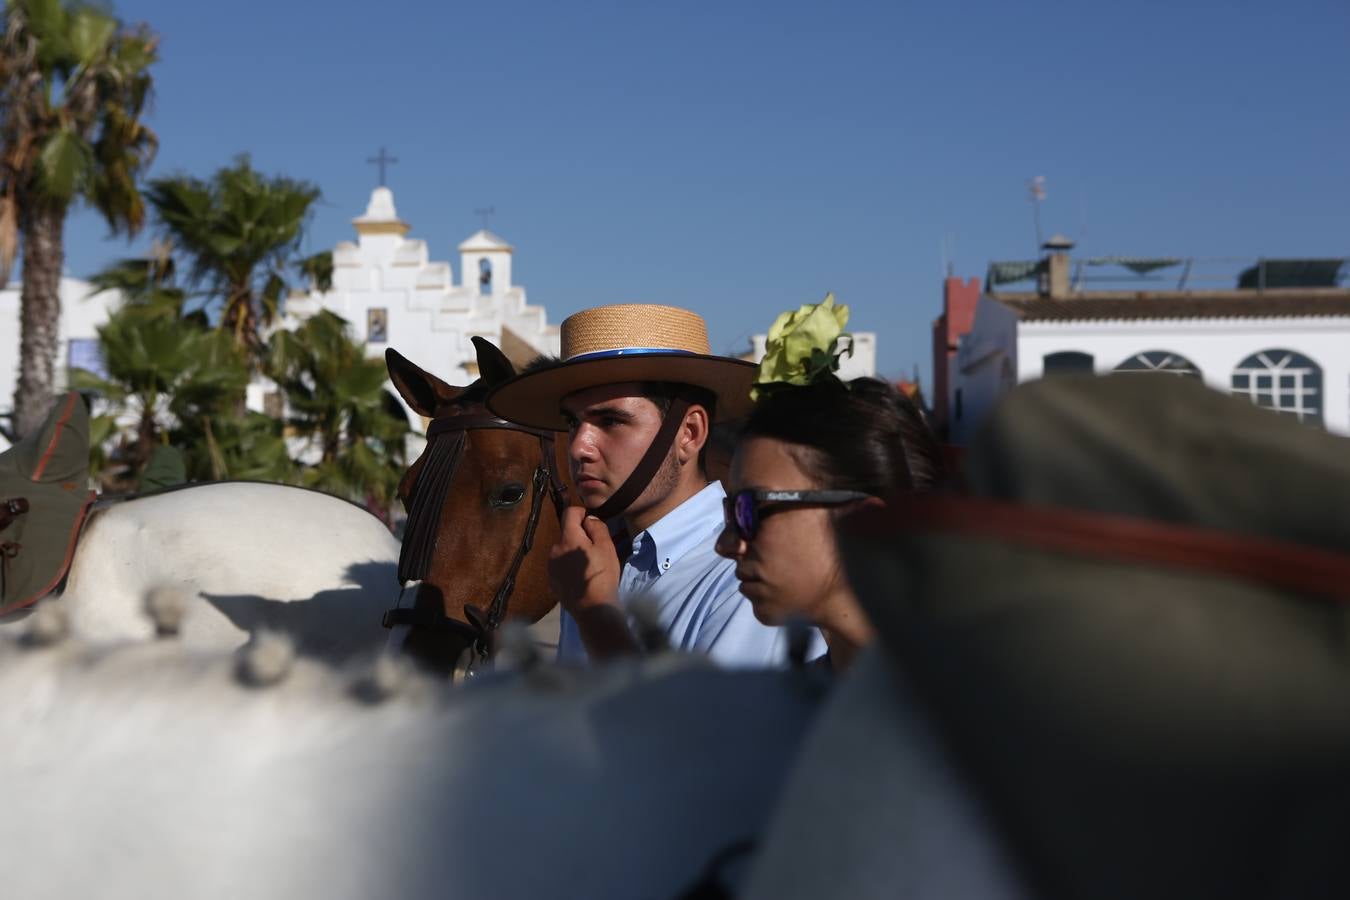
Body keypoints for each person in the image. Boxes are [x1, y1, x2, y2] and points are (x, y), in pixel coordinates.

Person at [486, 303, 814, 666]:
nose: (579, 446)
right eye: (573, 422)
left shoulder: (744, 577)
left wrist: (597, 615)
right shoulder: (593, 563)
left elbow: (712, 723)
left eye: (610, 420)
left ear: (689, 433)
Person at [715, 295, 945, 671]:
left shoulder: (966, 717)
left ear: (864, 527)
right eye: (731, 511)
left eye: (751, 510)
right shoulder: (802, 705)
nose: (726, 544)